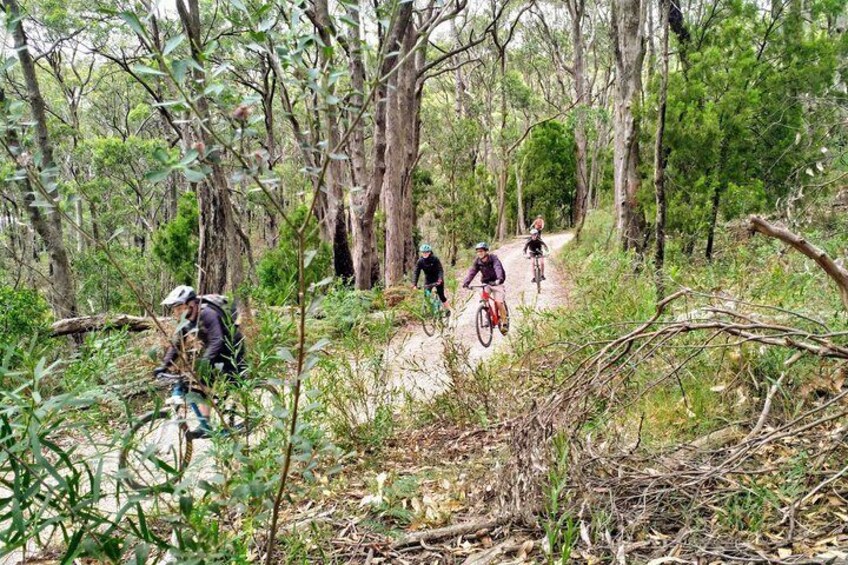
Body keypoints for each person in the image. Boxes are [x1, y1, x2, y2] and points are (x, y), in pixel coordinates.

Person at [154, 285, 246, 439]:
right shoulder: (185, 320)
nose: (176, 312)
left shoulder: (208, 314)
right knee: (203, 385)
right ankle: (206, 425)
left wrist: (204, 361)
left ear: (191, 304)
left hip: (232, 348)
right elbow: (177, 344)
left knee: (233, 381)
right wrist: (164, 365)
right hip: (213, 349)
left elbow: (218, 339)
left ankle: (243, 414)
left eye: (179, 308)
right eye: (175, 309)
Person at [462, 242, 508, 333]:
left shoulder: (493, 258)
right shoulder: (477, 261)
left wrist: (499, 279)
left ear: (486, 251)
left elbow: (497, 267)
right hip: (486, 283)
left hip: (497, 282)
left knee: (499, 303)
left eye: (481, 251)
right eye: (478, 252)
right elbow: (472, 271)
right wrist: (466, 282)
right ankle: (489, 316)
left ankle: (504, 321)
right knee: (484, 299)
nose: (479, 253)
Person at [412, 244, 451, 316]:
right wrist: (414, 284)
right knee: (426, 296)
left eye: (426, 252)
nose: (425, 254)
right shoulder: (420, 261)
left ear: (430, 252)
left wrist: (440, 279)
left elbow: (440, 270)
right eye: (423, 252)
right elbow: (416, 273)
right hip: (428, 280)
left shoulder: (435, 259)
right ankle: (430, 311)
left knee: (441, 295)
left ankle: (448, 309)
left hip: (438, 279)